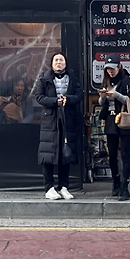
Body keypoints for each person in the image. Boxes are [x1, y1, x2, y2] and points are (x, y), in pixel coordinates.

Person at [33, 52, 82, 199]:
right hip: (50, 120)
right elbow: (39, 97)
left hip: (67, 120)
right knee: (48, 154)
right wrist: (55, 101)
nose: (58, 63)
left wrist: (69, 99)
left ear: (65, 63)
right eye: (56, 60)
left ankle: (63, 186)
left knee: (65, 153)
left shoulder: (72, 77)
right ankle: (49, 187)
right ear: (51, 63)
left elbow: (79, 95)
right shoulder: (45, 79)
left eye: (61, 60)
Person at [95, 59, 130, 201]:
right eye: (108, 69)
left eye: (113, 68)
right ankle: (116, 182)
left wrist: (117, 96)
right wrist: (102, 97)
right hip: (110, 120)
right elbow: (101, 103)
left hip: (123, 118)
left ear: (119, 67)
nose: (111, 72)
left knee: (125, 153)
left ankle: (125, 186)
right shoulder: (106, 81)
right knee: (112, 154)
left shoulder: (127, 81)